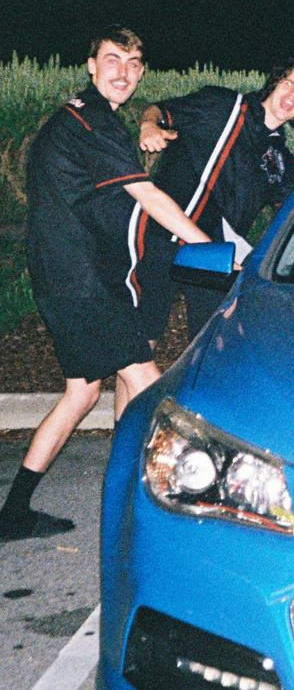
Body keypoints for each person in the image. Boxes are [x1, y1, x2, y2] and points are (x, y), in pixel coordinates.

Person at [0, 28, 211, 542]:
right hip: (81, 283)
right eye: (112, 60)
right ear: (91, 65)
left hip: (65, 278)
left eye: (133, 63)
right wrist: (210, 248)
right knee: (152, 388)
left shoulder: (82, 117)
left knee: (81, 392)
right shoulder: (91, 121)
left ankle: (13, 512)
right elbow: (148, 197)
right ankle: (191, 505)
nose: (123, 72)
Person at [136, 57, 294, 341]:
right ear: (275, 84)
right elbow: (160, 110)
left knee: (213, 336)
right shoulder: (223, 105)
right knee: (144, 337)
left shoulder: (280, 160)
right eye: (289, 83)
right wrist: (149, 125)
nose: (293, 94)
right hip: (161, 234)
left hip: (211, 251)